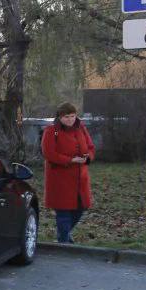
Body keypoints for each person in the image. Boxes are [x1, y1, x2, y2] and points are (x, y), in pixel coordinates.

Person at [41, 100, 95, 244]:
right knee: (63, 212)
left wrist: (87, 158)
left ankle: (64, 236)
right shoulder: (51, 131)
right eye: (66, 117)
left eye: (72, 116)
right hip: (60, 180)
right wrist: (71, 160)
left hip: (80, 180)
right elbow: (49, 153)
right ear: (59, 117)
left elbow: (90, 147)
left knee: (80, 209)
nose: (70, 120)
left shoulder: (81, 128)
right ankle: (64, 243)